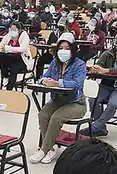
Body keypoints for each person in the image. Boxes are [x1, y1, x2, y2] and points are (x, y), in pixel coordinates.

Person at [30, 33, 87, 165]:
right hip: (57, 100)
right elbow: (44, 76)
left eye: (67, 48)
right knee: (43, 114)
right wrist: (44, 81)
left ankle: (44, 149)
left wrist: (58, 83)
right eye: (61, 48)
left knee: (56, 117)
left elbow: (77, 84)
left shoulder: (80, 65)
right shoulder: (55, 63)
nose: (63, 51)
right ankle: (50, 148)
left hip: (76, 103)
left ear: (73, 49)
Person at [0, 21, 33, 90]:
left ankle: (9, 88)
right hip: (11, 58)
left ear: (19, 30)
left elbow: (22, 49)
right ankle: (6, 77)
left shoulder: (24, 35)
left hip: (22, 60)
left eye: (14, 30)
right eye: (10, 29)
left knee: (14, 69)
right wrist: (3, 48)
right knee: (1, 59)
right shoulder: (8, 35)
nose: (12, 31)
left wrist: (8, 48)